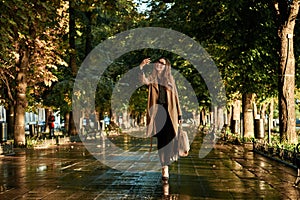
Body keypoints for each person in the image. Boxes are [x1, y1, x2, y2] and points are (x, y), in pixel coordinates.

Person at [139, 57, 182, 183]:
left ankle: (166, 162)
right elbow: (143, 81)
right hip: (158, 114)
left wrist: (179, 114)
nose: (159, 64)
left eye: (162, 63)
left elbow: (176, 97)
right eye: (158, 62)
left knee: (170, 138)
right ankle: (164, 167)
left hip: (171, 113)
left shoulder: (170, 80)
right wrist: (141, 67)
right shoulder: (152, 79)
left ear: (166, 67)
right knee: (162, 141)